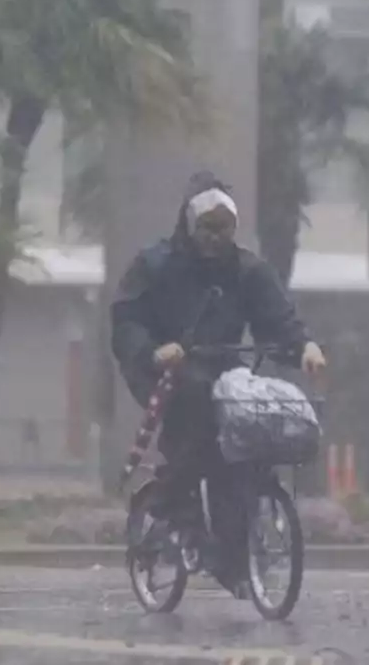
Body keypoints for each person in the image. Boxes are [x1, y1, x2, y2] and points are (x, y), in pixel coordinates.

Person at [110, 170, 327, 598]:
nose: (215, 237)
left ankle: (232, 551)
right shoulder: (155, 265)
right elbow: (127, 319)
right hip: (162, 370)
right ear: (190, 226)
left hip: (223, 367)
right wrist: (153, 350)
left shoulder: (247, 269)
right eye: (207, 228)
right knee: (197, 421)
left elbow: (277, 316)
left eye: (223, 228)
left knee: (244, 439)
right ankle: (173, 506)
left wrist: (304, 346)